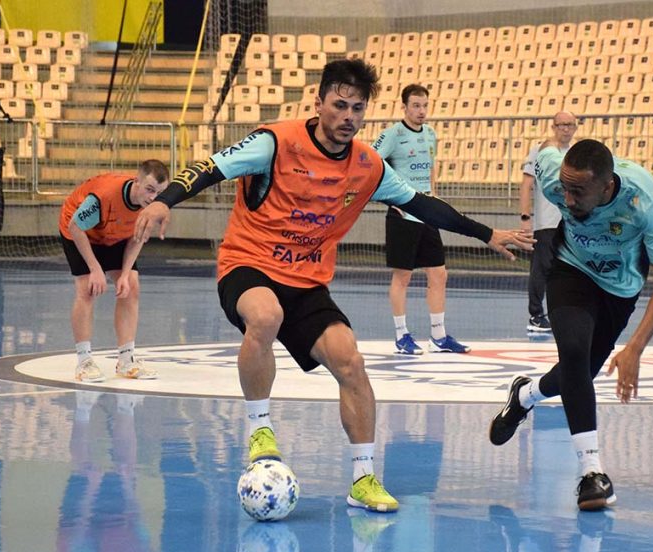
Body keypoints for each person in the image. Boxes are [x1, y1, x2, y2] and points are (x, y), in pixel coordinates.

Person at [133, 59, 532, 513]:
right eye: (339, 105)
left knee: (351, 361)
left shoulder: (367, 166)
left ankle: (363, 480)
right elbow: (209, 168)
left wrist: (488, 233)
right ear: (318, 102)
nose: (347, 116)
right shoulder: (274, 143)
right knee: (265, 315)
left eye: (357, 109)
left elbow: (422, 204)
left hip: (306, 281)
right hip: (249, 265)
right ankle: (259, 429)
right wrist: (165, 202)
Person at [489, 139, 653, 511]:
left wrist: (635, 347)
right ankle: (592, 473)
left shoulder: (645, 202)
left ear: (607, 187)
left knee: (581, 374)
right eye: (564, 189)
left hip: (619, 290)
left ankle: (525, 395)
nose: (568, 200)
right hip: (570, 271)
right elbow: (543, 152)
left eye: (578, 192)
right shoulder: (553, 176)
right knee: (574, 355)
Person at [372, 84, 468, 355]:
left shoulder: (430, 134)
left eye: (425, 105)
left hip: (426, 212)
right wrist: (392, 199)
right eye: (415, 105)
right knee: (403, 276)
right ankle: (401, 335)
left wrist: (433, 198)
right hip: (402, 213)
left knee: (439, 273)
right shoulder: (392, 135)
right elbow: (370, 168)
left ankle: (438, 335)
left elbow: (431, 166)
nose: (421, 110)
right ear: (404, 107)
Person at [58, 160, 170, 383]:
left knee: (132, 287)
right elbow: (75, 227)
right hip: (81, 232)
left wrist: (126, 274)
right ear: (136, 182)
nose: (153, 198)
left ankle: (126, 360)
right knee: (87, 288)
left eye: (159, 193)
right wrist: (95, 268)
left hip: (115, 233)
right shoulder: (104, 196)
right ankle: (84, 361)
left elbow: (137, 239)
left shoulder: (153, 207)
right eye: (149, 190)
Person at [519, 112, 577, 335]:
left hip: (571, 222)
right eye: (561, 125)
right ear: (553, 127)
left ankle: (564, 313)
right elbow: (526, 184)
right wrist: (526, 217)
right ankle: (535, 316)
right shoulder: (540, 151)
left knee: (569, 270)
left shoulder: (576, 153)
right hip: (547, 222)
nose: (565, 129)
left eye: (569, 125)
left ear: (575, 127)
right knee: (541, 269)